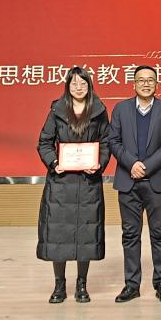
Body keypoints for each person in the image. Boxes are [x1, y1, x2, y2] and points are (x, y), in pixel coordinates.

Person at [36, 66, 111, 304]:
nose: (79, 88)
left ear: (90, 86)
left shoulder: (99, 111)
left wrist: (99, 164)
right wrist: (54, 163)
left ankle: (82, 284)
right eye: (74, 84)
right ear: (67, 86)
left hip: (88, 182)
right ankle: (59, 285)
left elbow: (106, 143)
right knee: (58, 234)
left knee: (86, 234)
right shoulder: (57, 110)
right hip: (61, 183)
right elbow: (44, 142)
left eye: (83, 83)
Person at [107, 65, 161, 304]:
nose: (146, 84)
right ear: (133, 84)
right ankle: (132, 285)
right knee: (130, 235)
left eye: (150, 80)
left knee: (160, 234)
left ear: (157, 84)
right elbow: (113, 141)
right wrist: (132, 163)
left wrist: (146, 166)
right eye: (141, 80)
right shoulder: (120, 109)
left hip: (156, 182)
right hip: (128, 181)